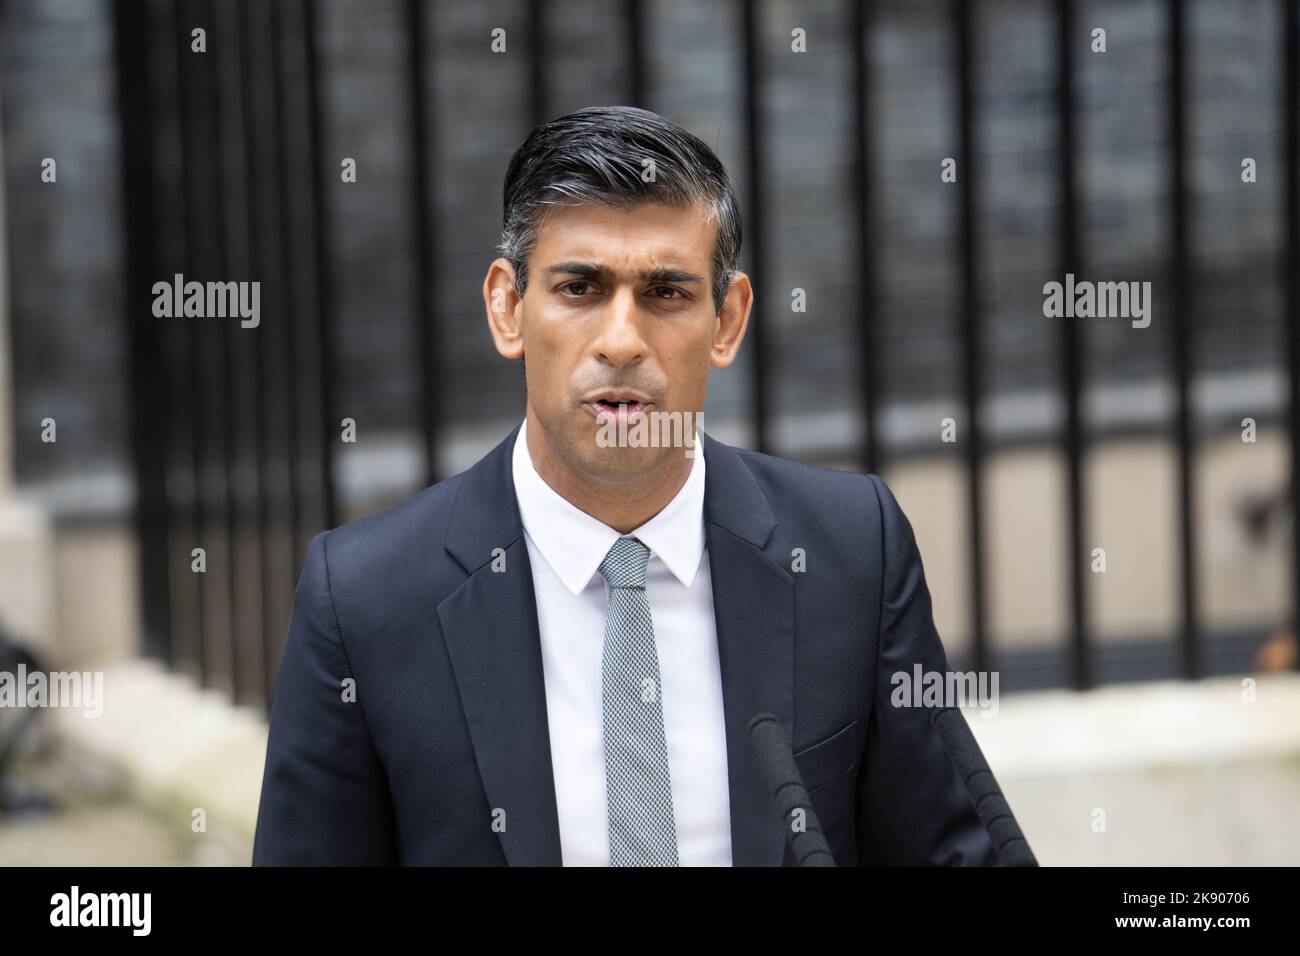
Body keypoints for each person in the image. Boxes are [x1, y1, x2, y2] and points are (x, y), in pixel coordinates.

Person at [252, 105, 998, 866]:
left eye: (666, 293)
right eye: (579, 287)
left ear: (727, 321)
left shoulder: (853, 550)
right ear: (507, 308)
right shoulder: (364, 597)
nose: (620, 341)